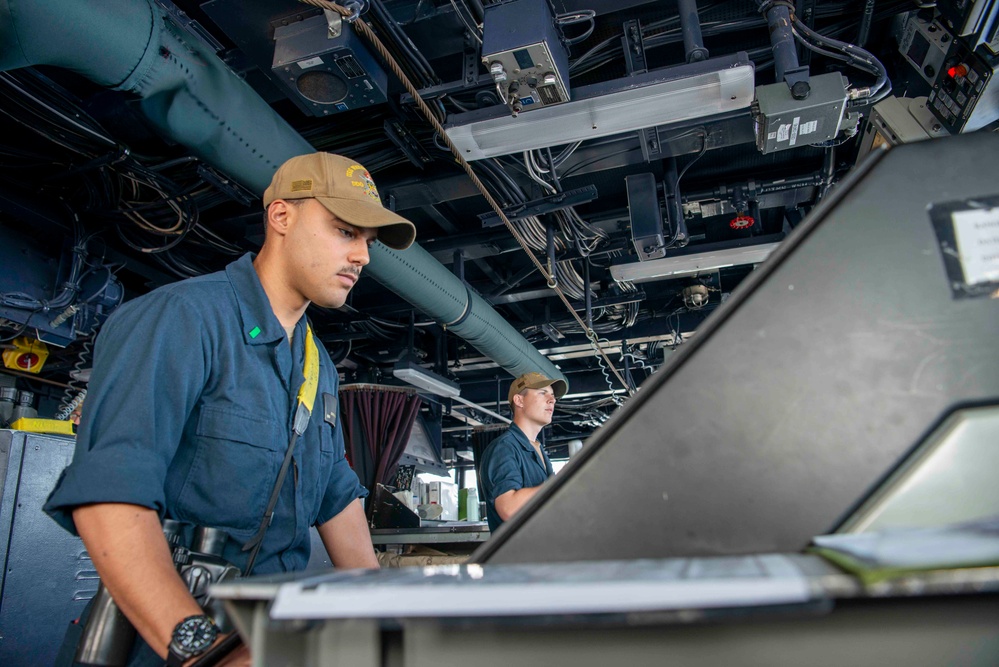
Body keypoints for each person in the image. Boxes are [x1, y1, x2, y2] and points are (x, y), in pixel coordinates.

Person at [44, 152, 416, 666]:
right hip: (167, 637)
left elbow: (334, 490)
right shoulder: (182, 319)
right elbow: (110, 498)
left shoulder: (316, 363)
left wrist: (385, 622)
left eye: (368, 243)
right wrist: (205, 652)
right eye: (346, 231)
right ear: (281, 217)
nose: (363, 257)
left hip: (267, 636)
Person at [479, 372, 567, 532]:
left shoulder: (538, 449)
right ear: (519, 400)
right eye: (542, 393)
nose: (552, 400)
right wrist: (561, 481)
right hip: (519, 555)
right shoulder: (505, 448)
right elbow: (509, 509)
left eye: (553, 395)